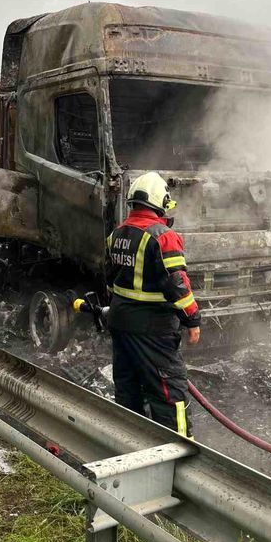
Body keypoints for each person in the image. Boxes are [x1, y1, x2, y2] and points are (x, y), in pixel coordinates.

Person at [105, 171, 200, 437]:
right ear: (160, 203)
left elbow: (109, 280)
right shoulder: (163, 236)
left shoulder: (117, 234)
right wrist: (192, 320)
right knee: (172, 394)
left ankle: (129, 442)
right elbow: (176, 284)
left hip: (121, 322)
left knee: (128, 388)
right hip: (154, 329)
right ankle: (181, 449)